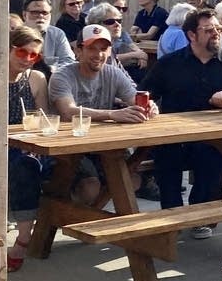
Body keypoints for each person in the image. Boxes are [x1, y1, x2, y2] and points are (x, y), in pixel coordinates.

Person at [142, 8, 222, 240]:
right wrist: (148, 105)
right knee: (166, 156)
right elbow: (144, 93)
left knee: (215, 154)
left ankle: (201, 216)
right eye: (209, 30)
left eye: (218, 29)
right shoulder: (169, 63)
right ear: (191, 36)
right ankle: (172, 217)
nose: (216, 33)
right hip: (174, 137)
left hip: (213, 139)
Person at [49, 25, 152, 205]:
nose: (98, 54)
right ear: (78, 50)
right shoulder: (62, 75)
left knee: (132, 180)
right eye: (91, 48)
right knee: (91, 188)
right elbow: (68, 111)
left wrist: (148, 107)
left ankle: (99, 218)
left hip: (103, 143)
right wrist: (112, 114)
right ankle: (70, 212)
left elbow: (134, 100)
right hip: (69, 145)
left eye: (103, 49)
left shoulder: (113, 72)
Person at [7, 25, 51, 271]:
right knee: (26, 166)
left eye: (33, 55)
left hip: (31, 142)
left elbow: (42, 117)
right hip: (2, 144)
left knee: (70, 168)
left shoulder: (36, 78)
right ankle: (24, 239)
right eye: (22, 53)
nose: (27, 60)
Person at [20, 0, 75, 72]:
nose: (40, 16)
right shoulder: (16, 34)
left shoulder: (57, 34)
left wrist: (51, 69)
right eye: (35, 12)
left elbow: (69, 62)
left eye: (45, 13)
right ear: (24, 15)